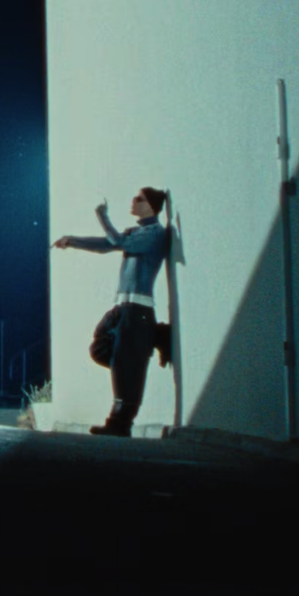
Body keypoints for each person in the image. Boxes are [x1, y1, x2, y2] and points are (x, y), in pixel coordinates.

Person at [53, 186, 172, 436]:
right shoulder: (136, 233)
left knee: (125, 366)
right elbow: (106, 244)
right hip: (124, 309)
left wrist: (102, 215)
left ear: (151, 206)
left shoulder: (155, 234)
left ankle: (119, 424)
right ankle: (153, 336)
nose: (133, 201)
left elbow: (118, 242)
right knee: (101, 349)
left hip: (138, 309)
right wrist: (71, 241)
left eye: (139, 199)